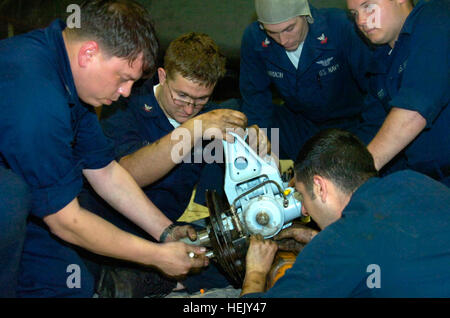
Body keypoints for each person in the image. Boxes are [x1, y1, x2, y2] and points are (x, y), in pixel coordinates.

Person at [0, 0, 208, 298]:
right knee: (10, 200)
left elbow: (105, 170)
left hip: (22, 195)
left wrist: (166, 232)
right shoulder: (37, 97)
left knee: (69, 285)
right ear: (89, 53)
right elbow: (65, 222)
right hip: (10, 203)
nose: (125, 93)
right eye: (123, 78)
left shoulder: (69, 78)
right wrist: (156, 256)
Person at [79, 32, 257, 296]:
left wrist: (256, 145)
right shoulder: (124, 104)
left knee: (239, 253)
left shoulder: (212, 117)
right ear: (162, 76)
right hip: (109, 226)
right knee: (79, 273)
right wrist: (193, 129)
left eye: (200, 99)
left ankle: (159, 280)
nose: (189, 108)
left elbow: (250, 159)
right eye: (181, 96)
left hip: (168, 230)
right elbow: (125, 175)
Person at [241, 129, 450, 297]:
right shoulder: (413, 180)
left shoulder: (338, 245)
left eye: (302, 196)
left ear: (320, 187)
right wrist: (319, 241)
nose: (304, 210)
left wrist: (256, 273)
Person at [239, 0, 385, 160]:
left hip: (349, 125)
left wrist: (364, 147)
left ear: (305, 15)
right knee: (234, 116)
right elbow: (255, 96)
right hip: (300, 125)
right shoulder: (254, 38)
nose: (283, 40)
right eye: (272, 32)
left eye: (289, 29)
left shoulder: (341, 27)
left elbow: (375, 89)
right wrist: (259, 139)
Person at [346, 0, 450, 186]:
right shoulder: (380, 64)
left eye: (368, 6)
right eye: (354, 14)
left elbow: (415, 108)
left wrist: (350, 177)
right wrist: (330, 165)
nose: (361, 20)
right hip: (429, 184)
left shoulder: (436, 17)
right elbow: (372, 130)